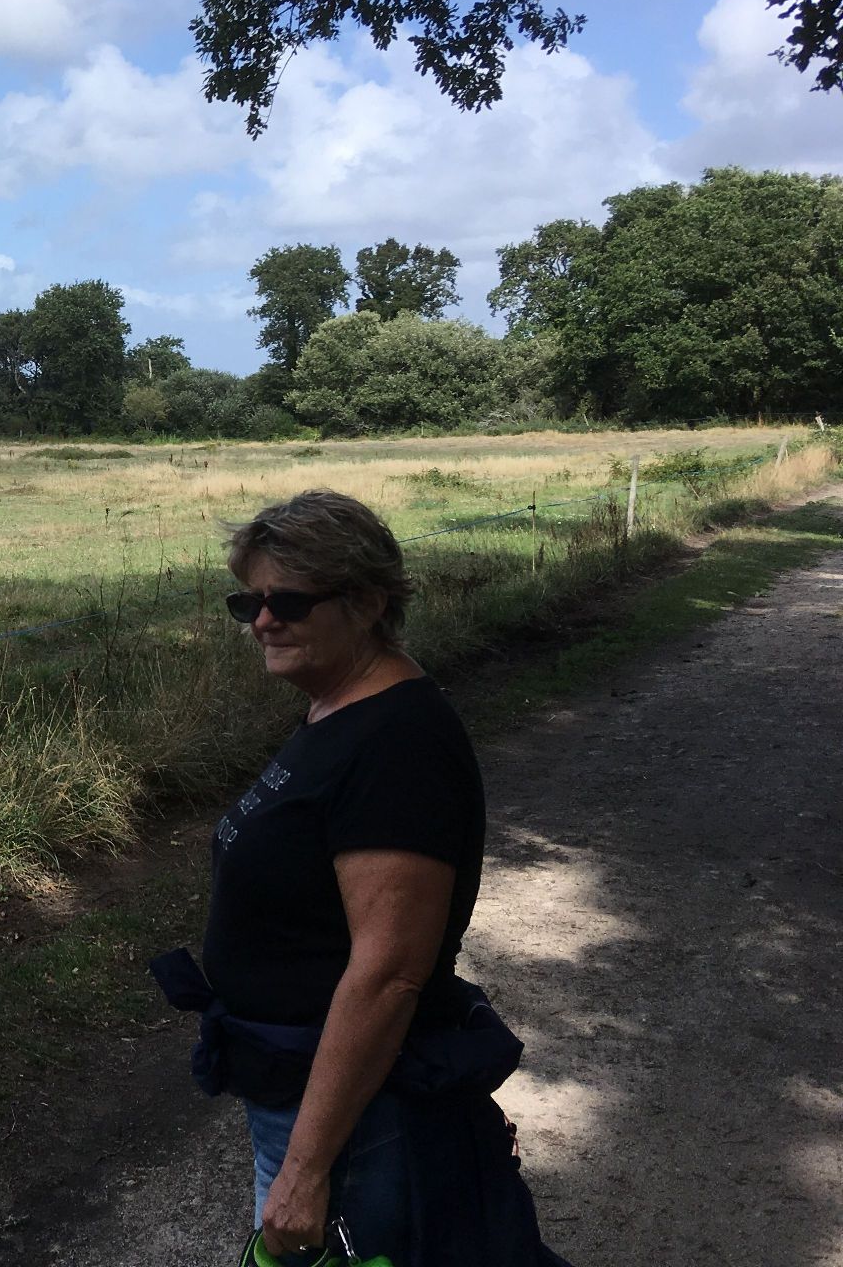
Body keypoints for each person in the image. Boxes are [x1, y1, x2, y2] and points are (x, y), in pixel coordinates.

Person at [151, 489, 564, 1266]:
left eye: (288, 602)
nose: (263, 621)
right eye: (248, 603)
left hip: (358, 1117)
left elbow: (388, 973)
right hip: (304, 1094)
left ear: (368, 602)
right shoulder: (335, 709)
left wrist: (306, 1169)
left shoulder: (397, 744)